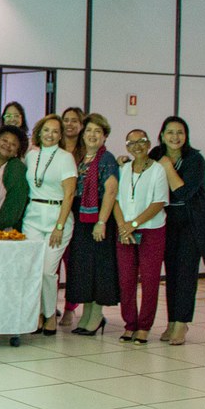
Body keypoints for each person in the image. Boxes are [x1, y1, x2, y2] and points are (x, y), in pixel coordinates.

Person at [151, 116, 205, 345]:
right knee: (172, 273)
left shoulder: (195, 159)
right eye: (170, 132)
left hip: (193, 220)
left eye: (180, 132)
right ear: (162, 135)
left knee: (186, 274)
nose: (175, 137)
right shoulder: (156, 154)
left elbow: (183, 192)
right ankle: (171, 321)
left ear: (186, 136)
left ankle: (182, 323)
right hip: (168, 222)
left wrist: (167, 167)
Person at [22, 114, 77, 336]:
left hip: (57, 217)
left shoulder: (66, 158)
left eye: (55, 131)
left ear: (61, 135)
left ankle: (50, 315)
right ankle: (36, 315)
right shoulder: (31, 155)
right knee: (33, 270)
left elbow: (70, 193)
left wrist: (60, 226)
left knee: (47, 271)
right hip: (33, 216)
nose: (50, 134)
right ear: (39, 132)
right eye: (46, 130)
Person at [113, 129, 168, 344]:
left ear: (148, 144)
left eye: (142, 141)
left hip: (151, 231)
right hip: (125, 231)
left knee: (149, 280)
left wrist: (134, 224)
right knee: (126, 281)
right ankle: (129, 325)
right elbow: (114, 199)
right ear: (127, 147)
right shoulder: (123, 169)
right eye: (132, 143)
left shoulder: (158, 170)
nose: (137, 146)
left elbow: (158, 203)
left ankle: (144, 326)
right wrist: (122, 226)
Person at [67, 113, 120, 336]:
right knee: (84, 268)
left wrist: (101, 221)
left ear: (105, 136)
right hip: (81, 218)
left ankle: (96, 316)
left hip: (98, 218)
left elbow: (111, 191)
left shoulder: (106, 159)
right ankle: (87, 315)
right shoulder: (80, 158)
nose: (92, 135)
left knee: (99, 268)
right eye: (89, 130)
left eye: (97, 132)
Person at [57, 106, 85, 328]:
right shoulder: (53, 148)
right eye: (65, 120)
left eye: (74, 120)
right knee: (51, 263)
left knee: (73, 262)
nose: (69, 124)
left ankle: (70, 308)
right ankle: (48, 306)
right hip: (53, 208)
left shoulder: (87, 150)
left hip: (79, 209)